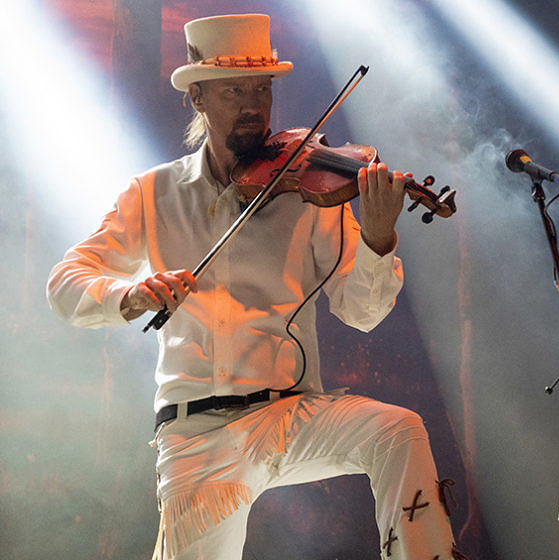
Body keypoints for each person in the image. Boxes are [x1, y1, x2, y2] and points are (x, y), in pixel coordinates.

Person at [47, 13, 465, 560]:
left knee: (398, 430)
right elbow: (65, 283)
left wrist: (379, 239)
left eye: (261, 90)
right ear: (198, 97)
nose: (253, 105)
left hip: (289, 416)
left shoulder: (310, 189)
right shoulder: (153, 193)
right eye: (234, 90)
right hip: (195, 436)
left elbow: (361, 311)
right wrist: (130, 295)